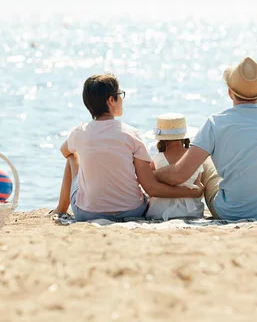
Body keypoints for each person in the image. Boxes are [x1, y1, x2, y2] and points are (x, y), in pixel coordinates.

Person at [154, 57, 257, 220]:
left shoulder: (216, 123)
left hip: (232, 212)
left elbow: (178, 175)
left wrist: (152, 174)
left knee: (204, 161)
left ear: (230, 92)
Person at [51, 73, 204, 222]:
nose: (122, 99)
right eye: (120, 94)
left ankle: (61, 209)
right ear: (111, 100)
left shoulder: (79, 132)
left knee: (72, 156)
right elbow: (150, 188)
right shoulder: (131, 134)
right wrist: (191, 192)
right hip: (132, 210)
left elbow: (65, 151)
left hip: (88, 213)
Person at [145, 113, 205, 220]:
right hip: (191, 211)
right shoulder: (194, 157)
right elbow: (200, 185)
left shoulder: (158, 158)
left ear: (161, 139)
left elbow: (149, 182)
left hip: (160, 211)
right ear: (184, 137)